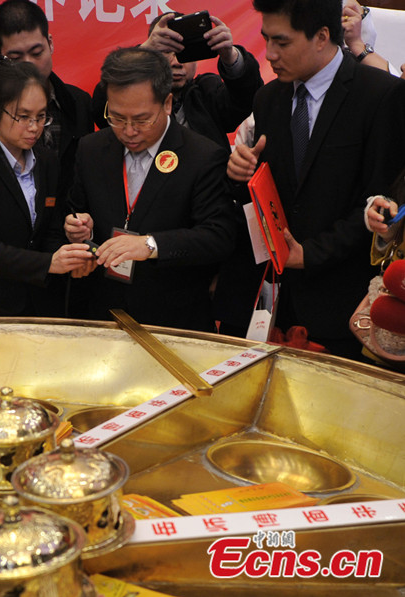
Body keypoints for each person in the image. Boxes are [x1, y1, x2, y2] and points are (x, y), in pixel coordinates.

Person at [224, 0, 405, 359]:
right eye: (266, 40)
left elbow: (382, 202)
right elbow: (270, 190)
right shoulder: (268, 98)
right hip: (274, 302)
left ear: (322, 36)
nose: (271, 54)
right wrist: (240, 174)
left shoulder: (379, 94)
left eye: (283, 42)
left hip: (345, 307)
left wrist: (311, 254)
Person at [66, 47, 236, 331]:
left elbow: (219, 236)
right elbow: (76, 208)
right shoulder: (92, 148)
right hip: (102, 316)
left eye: (142, 119)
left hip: (172, 319)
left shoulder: (202, 156)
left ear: (167, 103)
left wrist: (150, 245)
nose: (129, 131)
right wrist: (79, 229)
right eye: (117, 118)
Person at [0, 55, 91, 316]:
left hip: (42, 305)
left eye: (41, 116)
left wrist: (72, 248)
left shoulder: (46, 159)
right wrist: (48, 263)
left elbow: (51, 228)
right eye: (23, 117)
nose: (34, 128)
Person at [0, 0, 92, 198]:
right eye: (15, 57)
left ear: (51, 43)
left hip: (68, 223)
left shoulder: (79, 103)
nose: (28, 64)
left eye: (37, 53)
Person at [92, 11, 263, 156]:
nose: (176, 62)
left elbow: (247, 100)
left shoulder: (207, 91)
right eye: (166, 52)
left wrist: (231, 57)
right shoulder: (136, 99)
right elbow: (101, 109)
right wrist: (143, 53)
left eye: (184, 53)